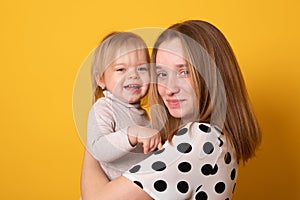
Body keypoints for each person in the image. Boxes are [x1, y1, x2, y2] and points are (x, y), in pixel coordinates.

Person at [80, 20, 262, 200]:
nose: (170, 88)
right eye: (162, 74)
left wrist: (95, 142)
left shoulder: (199, 138)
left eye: (184, 72)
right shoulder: (212, 139)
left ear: (213, 75)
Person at [86, 31, 162, 181]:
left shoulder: (146, 116)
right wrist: (132, 134)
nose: (133, 75)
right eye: (121, 69)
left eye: (141, 68)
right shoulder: (104, 108)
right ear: (101, 79)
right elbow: (98, 149)